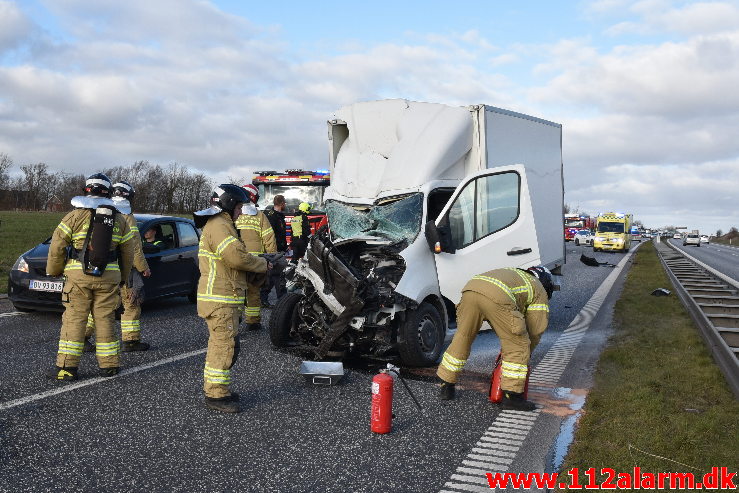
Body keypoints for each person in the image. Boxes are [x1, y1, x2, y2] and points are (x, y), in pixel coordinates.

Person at [47, 173, 135, 381]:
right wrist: (122, 277)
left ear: (86, 190)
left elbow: (57, 246)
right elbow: (128, 252)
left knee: (75, 319)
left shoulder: (74, 216)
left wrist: (54, 270)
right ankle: (110, 365)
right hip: (109, 277)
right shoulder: (120, 219)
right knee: (105, 319)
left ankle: (67, 368)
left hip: (78, 276)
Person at [436, 266, 554, 411]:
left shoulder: (515, 274)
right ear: (545, 282)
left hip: (471, 289)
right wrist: (523, 354)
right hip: (496, 296)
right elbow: (536, 330)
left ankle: (446, 385)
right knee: (518, 344)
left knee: (463, 337)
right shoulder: (538, 288)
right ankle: (512, 397)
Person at [194, 184, 268, 413]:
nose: (240, 212)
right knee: (223, 347)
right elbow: (235, 257)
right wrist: (264, 264)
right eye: (238, 207)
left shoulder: (222, 224)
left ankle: (217, 389)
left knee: (222, 345)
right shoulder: (219, 225)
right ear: (228, 204)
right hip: (220, 299)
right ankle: (216, 396)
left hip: (223, 297)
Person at [85, 181, 152, 352]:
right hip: (125, 268)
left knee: (98, 303)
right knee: (131, 302)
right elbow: (134, 247)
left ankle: (83, 337)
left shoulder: (101, 211)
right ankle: (130, 341)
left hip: (103, 267)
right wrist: (143, 267)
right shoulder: (127, 216)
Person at [234, 184, 276, 330]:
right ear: (253, 197)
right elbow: (269, 238)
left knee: (238, 291)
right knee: (253, 291)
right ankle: (253, 322)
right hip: (256, 262)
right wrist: (271, 258)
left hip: (237, 260)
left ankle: (235, 319)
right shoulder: (260, 216)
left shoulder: (234, 215)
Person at [261, 194, 288, 305]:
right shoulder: (272, 216)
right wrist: (271, 252)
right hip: (274, 251)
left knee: (275, 275)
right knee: (279, 275)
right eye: (285, 203)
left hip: (278, 250)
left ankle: (264, 297)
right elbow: (270, 236)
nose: (285, 205)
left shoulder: (278, 215)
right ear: (281, 204)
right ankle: (282, 300)